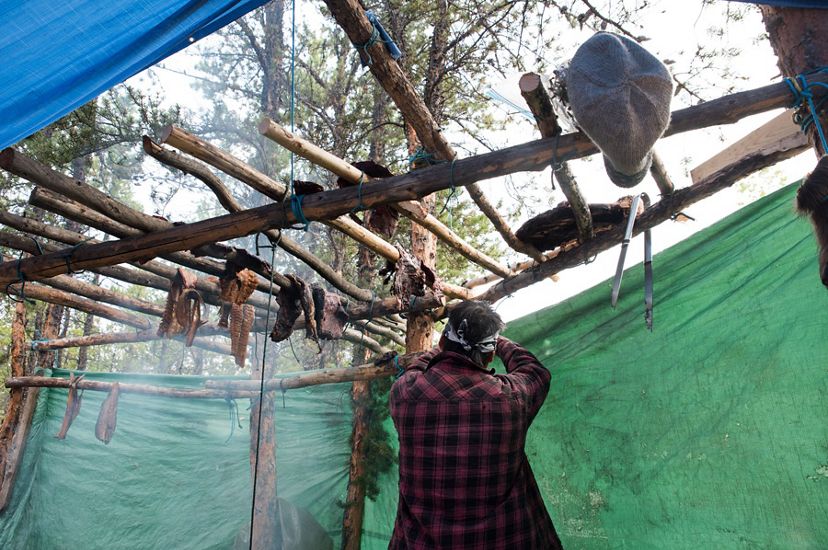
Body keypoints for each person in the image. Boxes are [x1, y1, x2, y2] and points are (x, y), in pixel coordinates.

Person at [389, 300, 563, 549]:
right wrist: (499, 340)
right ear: (491, 353)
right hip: (505, 540)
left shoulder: (405, 393)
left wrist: (445, 348)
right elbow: (535, 371)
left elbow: (416, 368)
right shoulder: (510, 397)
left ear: (441, 343)